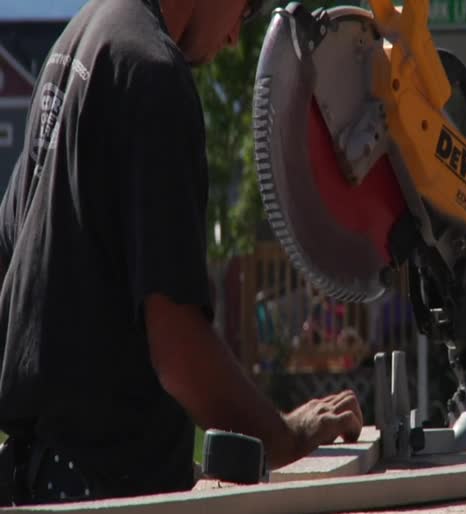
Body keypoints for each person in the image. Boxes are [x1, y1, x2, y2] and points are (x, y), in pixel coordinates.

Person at [0, 0, 363, 505]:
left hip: (38, 482)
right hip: (105, 492)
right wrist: (285, 436)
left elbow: (11, 257)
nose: (237, 36)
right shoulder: (152, 72)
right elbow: (178, 346)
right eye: (248, 9)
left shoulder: (80, 40)